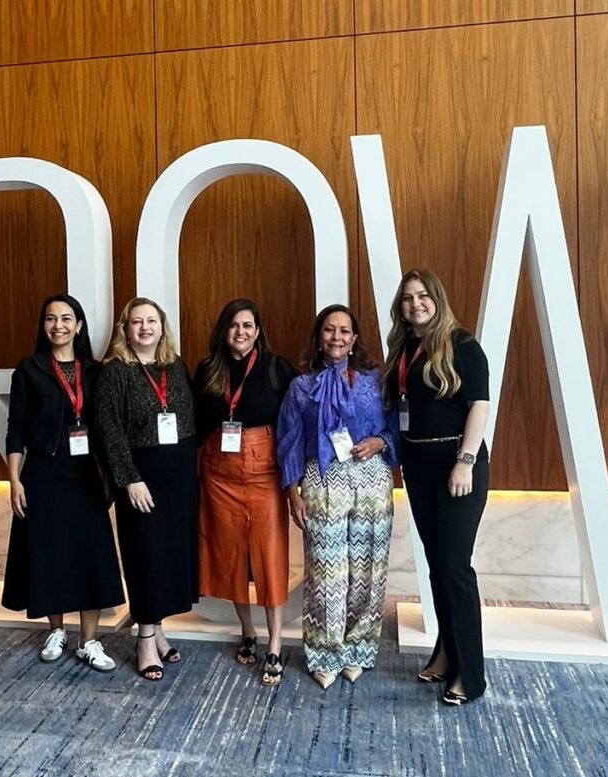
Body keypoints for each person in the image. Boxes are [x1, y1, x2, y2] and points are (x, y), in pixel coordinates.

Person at [276, 304, 400, 689]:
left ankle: (359, 647)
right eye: (330, 330)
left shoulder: (375, 380)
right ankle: (325, 652)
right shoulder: (302, 386)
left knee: (368, 569)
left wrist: (380, 442)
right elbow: (289, 440)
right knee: (326, 571)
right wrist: (292, 491)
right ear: (319, 337)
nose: (337, 337)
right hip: (322, 476)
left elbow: (396, 425)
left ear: (355, 339)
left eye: (345, 331)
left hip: (371, 476)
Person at [0, 294, 125, 672]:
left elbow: (110, 425)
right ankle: (56, 630)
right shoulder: (29, 370)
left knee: (91, 555)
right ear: (44, 326)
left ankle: (89, 640)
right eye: (51, 319)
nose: (59, 326)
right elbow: (15, 429)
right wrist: (14, 479)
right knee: (48, 554)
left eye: (66, 318)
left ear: (79, 325)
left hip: (88, 474)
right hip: (44, 473)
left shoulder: (96, 372)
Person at [383, 269, 490, 706]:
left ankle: (470, 675)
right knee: (436, 565)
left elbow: (479, 406)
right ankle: (446, 654)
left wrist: (465, 461)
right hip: (418, 466)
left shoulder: (462, 344)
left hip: (456, 465)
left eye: (423, 295)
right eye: (408, 298)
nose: (416, 304)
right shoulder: (403, 348)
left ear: (437, 298)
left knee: (455, 567)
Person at [194, 299, 297, 687]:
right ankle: (248, 631)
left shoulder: (276, 368)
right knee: (231, 553)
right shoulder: (208, 369)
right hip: (218, 471)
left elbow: (292, 425)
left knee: (270, 555)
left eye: (248, 325)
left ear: (258, 331)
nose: (241, 332)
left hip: (263, 470)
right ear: (224, 330)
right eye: (234, 325)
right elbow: (196, 423)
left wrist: (295, 477)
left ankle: (275, 643)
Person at [95, 297, 199, 681]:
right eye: (137, 322)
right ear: (125, 329)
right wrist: (129, 479)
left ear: (162, 327)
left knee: (169, 558)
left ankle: (157, 631)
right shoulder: (115, 372)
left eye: (151, 321)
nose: (144, 328)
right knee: (146, 557)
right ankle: (144, 639)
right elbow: (109, 430)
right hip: (142, 477)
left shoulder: (175, 365)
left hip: (178, 478)